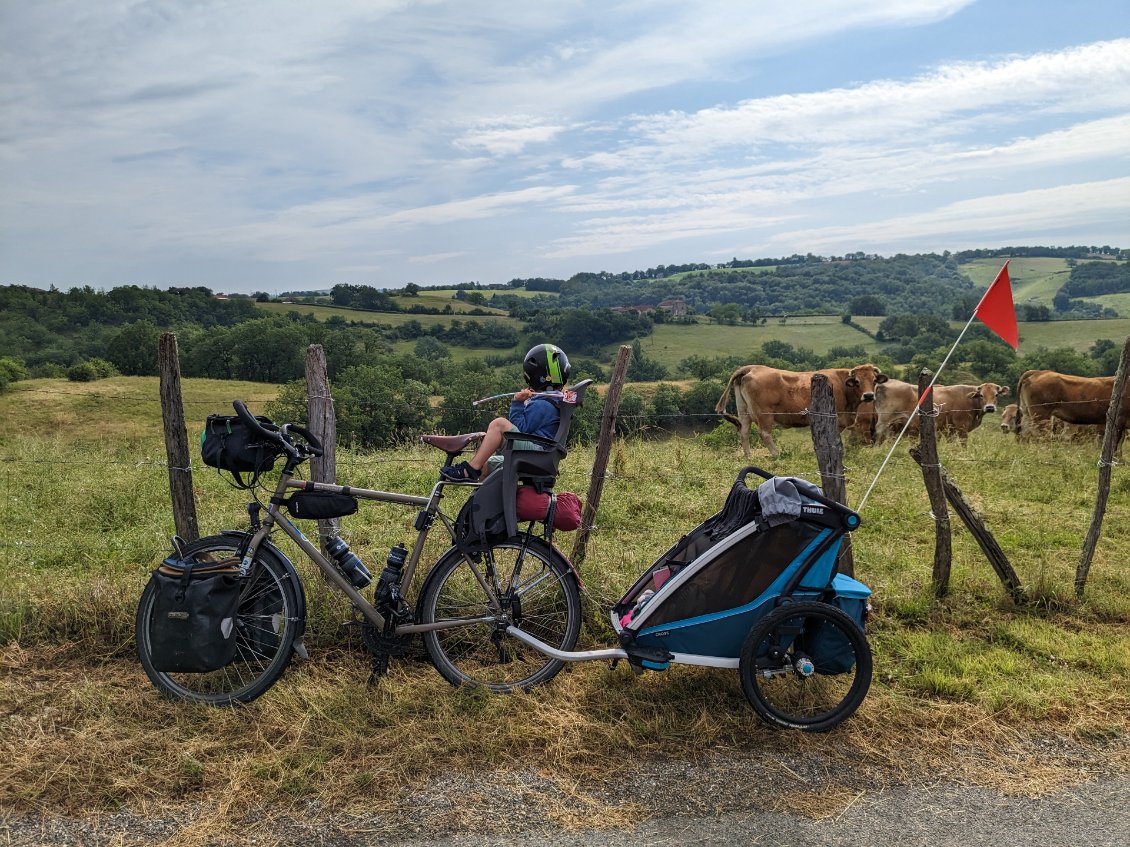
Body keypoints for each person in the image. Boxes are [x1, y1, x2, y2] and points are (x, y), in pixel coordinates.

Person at [439, 343, 571, 482]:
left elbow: (520, 430)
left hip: (537, 454)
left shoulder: (543, 404)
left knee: (499, 424)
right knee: (486, 465)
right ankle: (479, 499)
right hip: (541, 455)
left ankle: (471, 468)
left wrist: (517, 403)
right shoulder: (554, 400)